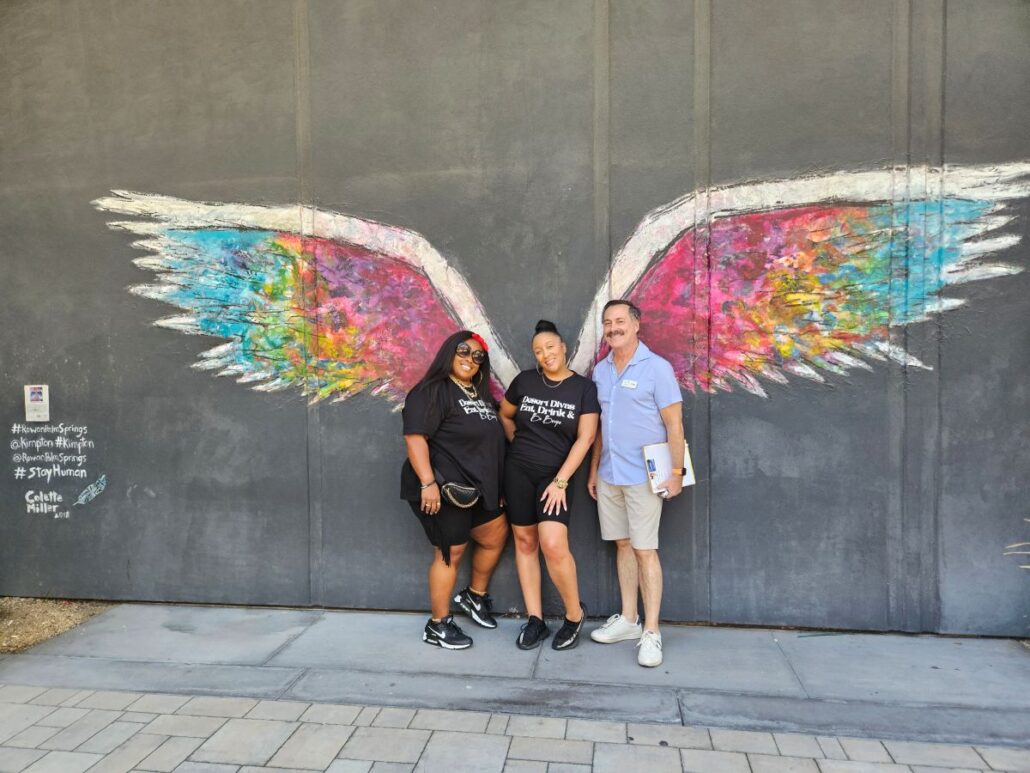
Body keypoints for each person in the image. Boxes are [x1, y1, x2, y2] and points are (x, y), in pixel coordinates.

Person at [587, 300, 686, 667]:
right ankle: (629, 620)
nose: (613, 328)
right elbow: (601, 427)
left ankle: (652, 632)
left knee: (645, 550)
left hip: (645, 476)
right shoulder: (600, 371)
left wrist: (676, 473)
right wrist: (594, 470)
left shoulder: (657, 368)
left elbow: (674, 424)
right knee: (623, 545)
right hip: (609, 473)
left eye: (620, 321)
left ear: (636, 325)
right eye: (607, 323)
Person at [401, 331, 509, 649]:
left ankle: (474, 595)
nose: (470, 359)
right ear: (449, 351)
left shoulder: (479, 395)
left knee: (495, 536)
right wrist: (428, 483)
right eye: (463, 351)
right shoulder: (431, 390)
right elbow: (415, 438)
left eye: (478, 356)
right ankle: (438, 625)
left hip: (478, 489)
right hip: (444, 488)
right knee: (451, 553)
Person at [499, 320, 599, 650]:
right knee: (525, 542)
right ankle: (535, 620)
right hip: (518, 472)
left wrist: (560, 481)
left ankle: (573, 615)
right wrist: (516, 444)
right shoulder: (525, 381)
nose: (545, 354)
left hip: (555, 477)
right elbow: (505, 414)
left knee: (553, 544)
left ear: (563, 347)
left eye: (550, 347)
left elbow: (586, 438)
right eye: (538, 351)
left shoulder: (584, 389)